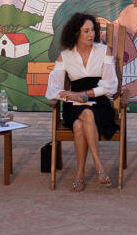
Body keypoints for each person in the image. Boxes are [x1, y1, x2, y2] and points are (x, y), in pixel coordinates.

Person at [45, 12, 120, 192]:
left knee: (81, 122)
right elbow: (52, 90)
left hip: (100, 103)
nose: (91, 34)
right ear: (75, 33)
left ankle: (80, 174)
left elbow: (111, 86)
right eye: (86, 31)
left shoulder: (104, 51)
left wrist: (86, 94)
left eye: (93, 30)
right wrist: (70, 95)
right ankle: (98, 166)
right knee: (81, 119)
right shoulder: (65, 56)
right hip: (73, 104)